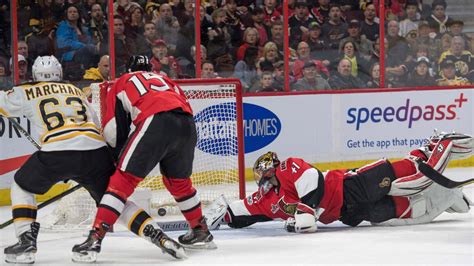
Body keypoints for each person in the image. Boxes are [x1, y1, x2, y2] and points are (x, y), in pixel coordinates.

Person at [1, 56, 186, 264]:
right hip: (95, 151)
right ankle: (159, 236)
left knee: (21, 186)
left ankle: (26, 241)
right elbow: (96, 123)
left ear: (35, 74)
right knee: (113, 201)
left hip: (57, 151)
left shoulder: (24, 91)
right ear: (59, 73)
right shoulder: (75, 90)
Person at [73, 55, 215, 260]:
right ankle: (200, 231)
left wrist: (115, 157)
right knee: (179, 182)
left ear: (128, 69)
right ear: (151, 68)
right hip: (187, 125)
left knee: (121, 182)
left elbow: (114, 131)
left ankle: (95, 238)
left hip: (157, 122)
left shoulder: (122, 81)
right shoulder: (167, 80)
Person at [205, 131, 472, 233]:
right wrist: (223, 215)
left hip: (351, 185)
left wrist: (306, 212)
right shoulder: (267, 200)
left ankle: (436, 148)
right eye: (263, 179)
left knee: (408, 179)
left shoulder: (288, 168)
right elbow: (244, 210)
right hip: (348, 213)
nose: (263, 183)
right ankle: (446, 198)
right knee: (397, 212)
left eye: (266, 177)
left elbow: (312, 181)